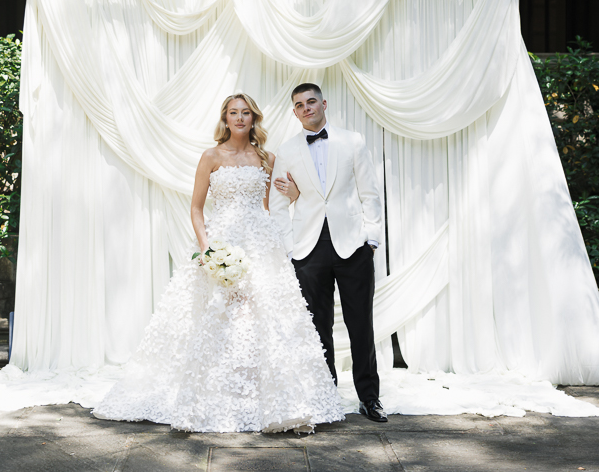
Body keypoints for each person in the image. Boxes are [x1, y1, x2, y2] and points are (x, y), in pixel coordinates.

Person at [93, 93, 345, 433]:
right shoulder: (211, 157)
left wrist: (296, 195)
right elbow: (196, 208)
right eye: (233, 113)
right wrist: (208, 249)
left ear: (254, 118)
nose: (239, 118)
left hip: (261, 243)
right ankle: (211, 396)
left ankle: (273, 399)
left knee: (266, 317)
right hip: (222, 241)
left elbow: (277, 204)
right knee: (215, 315)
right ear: (224, 119)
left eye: (245, 113)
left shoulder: (267, 158)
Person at [270, 84, 388, 423]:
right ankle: (325, 398)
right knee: (317, 327)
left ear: (324, 103)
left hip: (353, 246)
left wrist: (372, 240)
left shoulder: (352, 141)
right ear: (294, 112)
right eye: (299, 105)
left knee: (360, 326)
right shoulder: (288, 150)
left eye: (311, 102)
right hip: (308, 248)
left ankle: (370, 398)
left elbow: (369, 193)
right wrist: (290, 247)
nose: (306, 108)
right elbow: (279, 205)